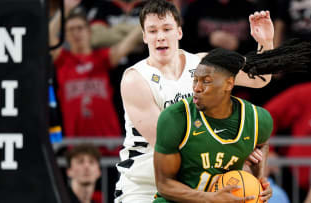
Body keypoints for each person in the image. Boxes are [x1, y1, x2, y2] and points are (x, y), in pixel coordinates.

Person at [115, 0, 276, 202]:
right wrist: (236, 148)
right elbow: (167, 142)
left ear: (179, 32)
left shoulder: (204, 63)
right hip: (145, 184)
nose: (161, 37)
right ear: (144, 37)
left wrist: (266, 43)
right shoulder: (136, 79)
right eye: (153, 31)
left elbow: (260, 77)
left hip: (199, 179)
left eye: (167, 29)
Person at [153, 43, 311, 202]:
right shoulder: (176, 117)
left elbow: (262, 144)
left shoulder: (257, 119)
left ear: (229, 84)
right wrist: (209, 198)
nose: (197, 88)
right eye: (195, 80)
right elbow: (164, 185)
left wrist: (259, 180)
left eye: (206, 81)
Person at [49, 0, 142, 139]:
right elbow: (47, 36)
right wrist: (65, 10)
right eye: (70, 29)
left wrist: (149, 18)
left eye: (80, 28)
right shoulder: (63, 60)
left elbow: (128, 43)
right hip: (75, 142)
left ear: (89, 32)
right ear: (66, 36)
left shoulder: (102, 58)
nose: (76, 33)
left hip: (108, 139)